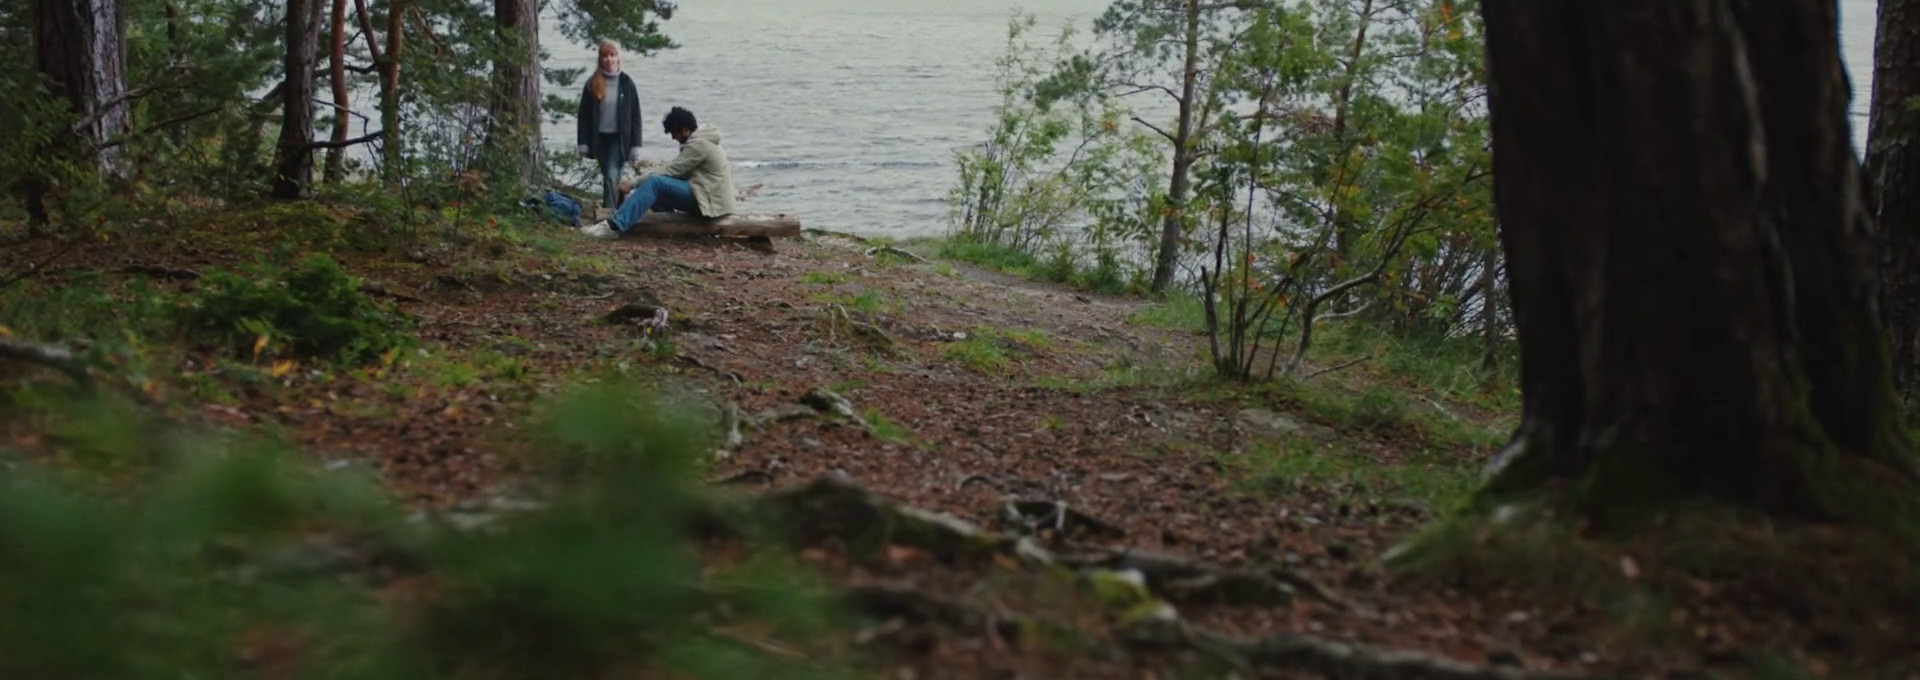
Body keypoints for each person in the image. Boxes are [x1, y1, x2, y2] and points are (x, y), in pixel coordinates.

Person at [580, 106, 737, 240]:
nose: (673, 138)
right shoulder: (701, 141)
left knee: (655, 182)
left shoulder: (699, 145)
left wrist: (632, 183)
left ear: (685, 130)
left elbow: (671, 170)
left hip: (710, 204)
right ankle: (669, 226)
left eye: (674, 133)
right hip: (707, 198)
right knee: (654, 191)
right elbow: (680, 173)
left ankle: (614, 227)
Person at [575, 40, 644, 211]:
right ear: (600, 59)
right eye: (605, 56)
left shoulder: (627, 83)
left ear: (618, 58)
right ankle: (618, 205)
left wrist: (636, 145)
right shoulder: (592, 83)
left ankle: (610, 215)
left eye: (612, 55)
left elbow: (635, 116)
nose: (609, 59)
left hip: (619, 138)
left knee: (611, 175)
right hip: (599, 139)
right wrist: (583, 143)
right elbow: (583, 116)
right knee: (609, 176)